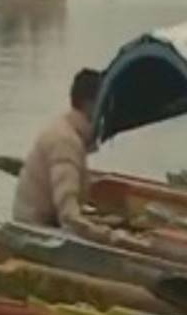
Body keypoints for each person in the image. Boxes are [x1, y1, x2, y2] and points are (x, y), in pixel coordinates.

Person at [12, 69, 114, 241]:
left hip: (39, 223)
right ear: (89, 105)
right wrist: (107, 235)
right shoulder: (65, 141)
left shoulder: (69, 132)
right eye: (103, 103)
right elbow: (67, 212)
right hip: (35, 230)